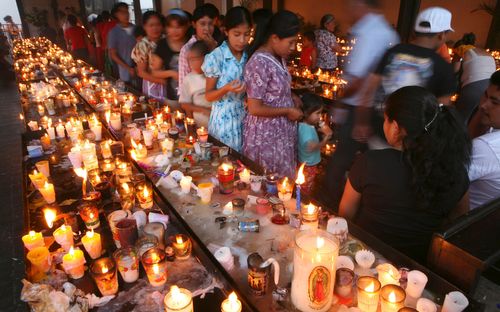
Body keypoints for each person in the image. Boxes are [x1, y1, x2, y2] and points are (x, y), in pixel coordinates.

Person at [339, 86, 471, 263]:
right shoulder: (457, 174)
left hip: (365, 259)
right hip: (417, 268)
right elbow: (456, 226)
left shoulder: (370, 162)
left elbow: (345, 214)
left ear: (395, 127)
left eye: (385, 119)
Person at [323, 0, 399, 208]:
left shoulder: (370, 32)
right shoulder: (385, 31)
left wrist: (340, 103)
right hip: (376, 108)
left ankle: (334, 203)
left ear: (361, 4)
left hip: (361, 109)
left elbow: (358, 80)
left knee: (341, 160)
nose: (347, 9)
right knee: (369, 159)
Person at [243, 10, 303, 178]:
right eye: (290, 43)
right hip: (266, 135)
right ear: (275, 38)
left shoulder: (278, 56)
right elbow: (255, 108)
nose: (293, 48)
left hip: (280, 132)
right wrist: (287, 111)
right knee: (268, 181)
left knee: (280, 183)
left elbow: (276, 88)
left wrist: (291, 96)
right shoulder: (259, 63)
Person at [202, 6, 251, 152]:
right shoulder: (217, 57)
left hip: (244, 116)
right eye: (236, 34)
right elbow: (208, 96)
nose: (242, 40)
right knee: (226, 162)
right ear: (226, 31)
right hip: (223, 119)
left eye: (247, 34)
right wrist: (226, 88)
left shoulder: (248, 56)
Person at [468, 71, 500, 209]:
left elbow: (443, 182)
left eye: (495, 102)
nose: (483, 105)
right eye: (485, 95)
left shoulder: (487, 147)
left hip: (465, 224)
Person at [454, 33, 496, 123]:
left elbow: (454, 69)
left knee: (460, 119)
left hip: (474, 84)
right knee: (478, 119)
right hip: (492, 86)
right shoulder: (484, 51)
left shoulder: (461, 49)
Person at [178, 4, 218, 97]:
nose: (207, 29)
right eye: (202, 24)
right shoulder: (187, 49)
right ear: (194, 24)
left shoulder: (218, 46)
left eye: (211, 24)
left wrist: (214, 49)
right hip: (196, 100)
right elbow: (183, 85)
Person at [151, 9, 190, 104]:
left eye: (179, 27)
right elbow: (155, 72)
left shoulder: (191, 42)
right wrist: (172, 73)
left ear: (186, 27)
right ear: (166, 28)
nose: (175, 31)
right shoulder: (162, 45)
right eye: (171, 27)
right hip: (173, 96)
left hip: (193, 96)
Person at [298, 93, 332, 194]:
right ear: (307, 113)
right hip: (308, 165)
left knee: (306, 183)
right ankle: (303, 199)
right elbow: (312, 147)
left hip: (304, 161)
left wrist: (321, 125)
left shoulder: (303, 124)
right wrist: (325, 140)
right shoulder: (307, 133)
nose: (320, 116)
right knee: (306, 186)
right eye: (317, 113)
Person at [131, 11, 165, 100]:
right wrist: (162, 81)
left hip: (170, 82)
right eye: (151, 25)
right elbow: (141, 72)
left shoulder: (166, 40)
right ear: (145, 27)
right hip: (152, 84)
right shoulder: (142, 45)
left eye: (158, 24)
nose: (155, 28)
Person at [179, 41, 212, 127]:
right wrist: (203, 110)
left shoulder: (214, 76)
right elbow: (185, 104)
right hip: (200, 124)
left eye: (194, 59)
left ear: (205, 58)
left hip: (217, 123)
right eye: (189, 60)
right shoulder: (189, 79)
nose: (191, 63)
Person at [107, 2, 136, 84]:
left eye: (127, 12)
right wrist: (128, 68)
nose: (126, 15)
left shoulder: (136, 29)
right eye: (122, 13)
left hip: (139, 70)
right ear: (116, 15)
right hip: (124, 71)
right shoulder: (114, 32)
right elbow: (113, 54)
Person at [96, 10, 117, 75]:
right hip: (115, 48)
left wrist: (102, 46)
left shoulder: (107, 25)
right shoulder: (120, 23)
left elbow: (99, 36)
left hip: (108, 48)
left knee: (111, 67)